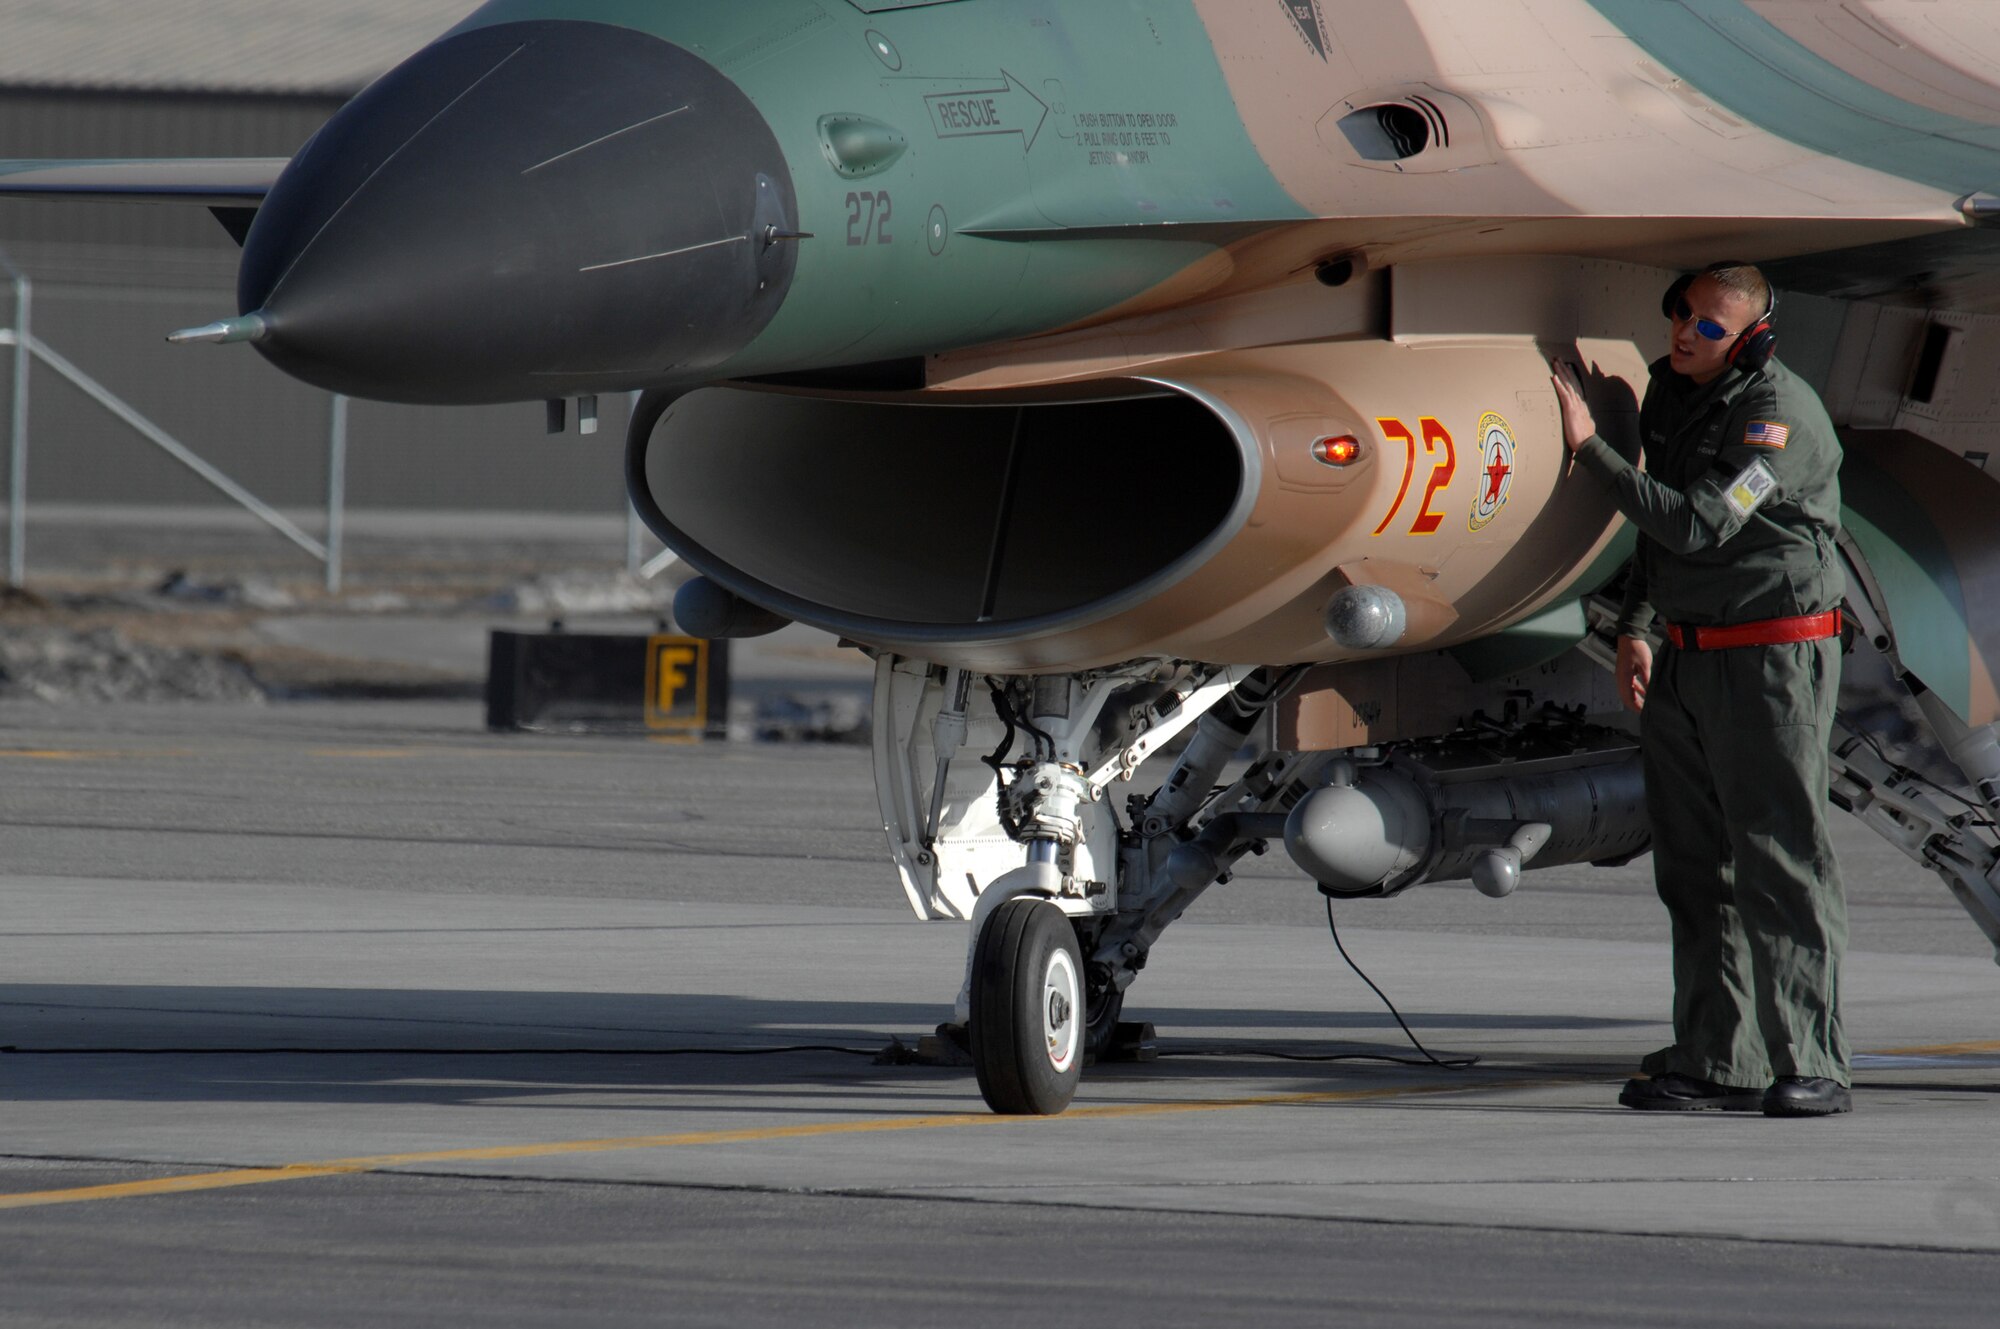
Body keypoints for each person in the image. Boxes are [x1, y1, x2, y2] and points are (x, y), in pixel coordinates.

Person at [1551, 261, 1851, 1118]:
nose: (1685, 333)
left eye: (1709, 327)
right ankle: (1721, 1056)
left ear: (1750, 336)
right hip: (1688, 652)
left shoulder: (1775, 421)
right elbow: (1666, 543)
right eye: (1681, 314)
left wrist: (1588, 448)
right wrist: (1639, 626)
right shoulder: (1673, 392)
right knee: (1694, 864)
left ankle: (1816, 1060)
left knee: (1778, 857)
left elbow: (1699, 520)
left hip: (1770, 662)